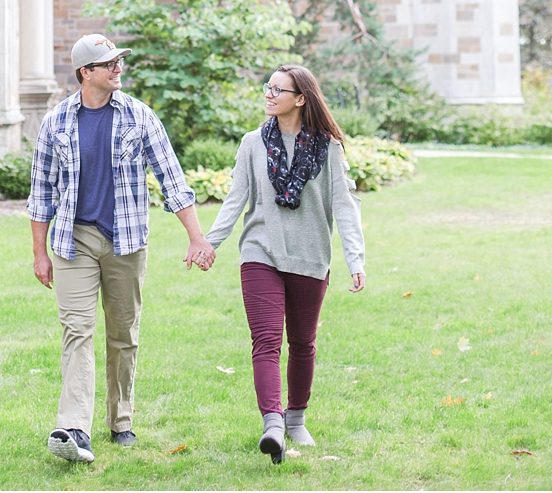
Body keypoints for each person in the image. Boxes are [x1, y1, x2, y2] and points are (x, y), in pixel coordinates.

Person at [27, 33, 217, 464]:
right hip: (73, 240)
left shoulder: (138, 116)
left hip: (126, 240)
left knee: (123, 334)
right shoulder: (56, 122)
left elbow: (172, 178)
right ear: (85, 73)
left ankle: (121, 420)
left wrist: (196, 235)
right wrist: (39, 252)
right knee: (77, 330)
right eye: (109, 63)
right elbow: (40, 194)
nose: (118, 68)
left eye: (118, 61)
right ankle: (75, 428)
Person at [204, 64, 366, 464]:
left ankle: (296, 420)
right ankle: (272, 424)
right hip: (260, 252)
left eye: (278, 89)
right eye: (268, 87)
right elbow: (236, 199)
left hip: (310, 257)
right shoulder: (252, 143)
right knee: (266, 342)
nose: (269, 94)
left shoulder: (328, 149)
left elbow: (344, 206)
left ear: (300, 98)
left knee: (302, 344)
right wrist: (210, 242)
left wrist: (355, 257)